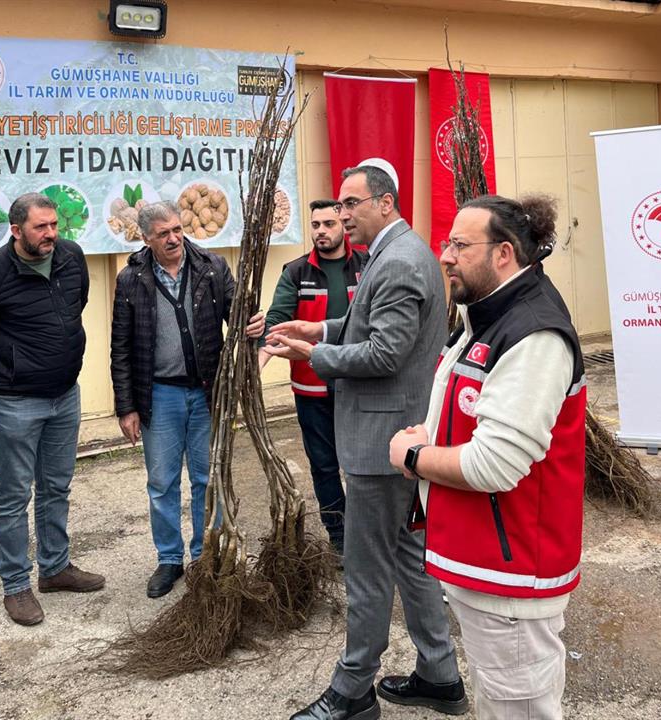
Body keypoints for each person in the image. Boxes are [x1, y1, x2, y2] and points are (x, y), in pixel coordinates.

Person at [265, 159, 468, 720]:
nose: (343, 214)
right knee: (408, 558)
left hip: (382, 441)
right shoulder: (394, 253)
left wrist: (316, 354)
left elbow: (384, 353)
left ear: (385, 203)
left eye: (351, 203)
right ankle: (440, 675)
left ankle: (353, 690)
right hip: (394, 435)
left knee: (367, 569)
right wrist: (320, 328)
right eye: (340, 204)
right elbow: (370, 326)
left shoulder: (398, 261)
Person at [389, 194, 586, 720]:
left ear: (503, 253)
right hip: (486, 560)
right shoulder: (488, 314)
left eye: (460, 244)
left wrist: (416, 455)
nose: (445, 255)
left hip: (512, 573)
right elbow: (474, 409)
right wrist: (432, 433)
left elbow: (494, 464)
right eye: (447, 242)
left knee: (517, 707)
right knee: (499, 698)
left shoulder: (532, 333)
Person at [0, 193, 104, 627]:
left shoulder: (71, 257)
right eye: (41, 227)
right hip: (14, 403)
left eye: (54, 224)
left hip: (65, 396)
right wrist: (10, 367)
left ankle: (55, 568)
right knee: (13, 495)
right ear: (16, 230)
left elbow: (76, 306)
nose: (51, 234)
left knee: (56, 486)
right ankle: (16, 585)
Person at [111, 200, 264, 599]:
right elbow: (120, 347)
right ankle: (169, 559)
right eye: (163, 234)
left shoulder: (211, 267)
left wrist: (256, 323)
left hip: (206, 391)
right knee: (161, 482)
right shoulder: (131, 279)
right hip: (159, 394)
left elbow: (239, 315)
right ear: (146, 238)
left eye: (177, 229)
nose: (174, 238)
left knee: (206, 478)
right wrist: (126, 406)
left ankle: (203, 556)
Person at [258, 199, 367, 556]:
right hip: (313, 388)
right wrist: (259, 361)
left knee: (364, 465)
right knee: (324, 466)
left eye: (328, 224)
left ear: (343, 226)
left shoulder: (367, 265)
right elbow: (276, 321)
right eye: (315, 224)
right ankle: (340, 540)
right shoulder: (296, 271)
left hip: (359, 383)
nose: (321, 231)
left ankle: (368, 536)